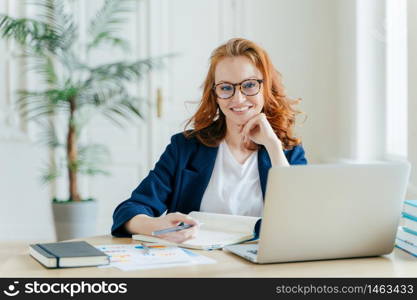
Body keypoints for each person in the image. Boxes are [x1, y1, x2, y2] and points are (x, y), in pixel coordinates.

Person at [111, 38, 307, 243]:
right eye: (225, 88)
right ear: (214, 94)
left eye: (249, 85)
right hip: (198, 267)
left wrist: (273, 146)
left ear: (266, 88)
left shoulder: (287, 151)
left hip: (261, 266)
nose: (238, 99)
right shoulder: (185, 148)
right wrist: (156, 226)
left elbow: (303, 218)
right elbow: (128, 212)